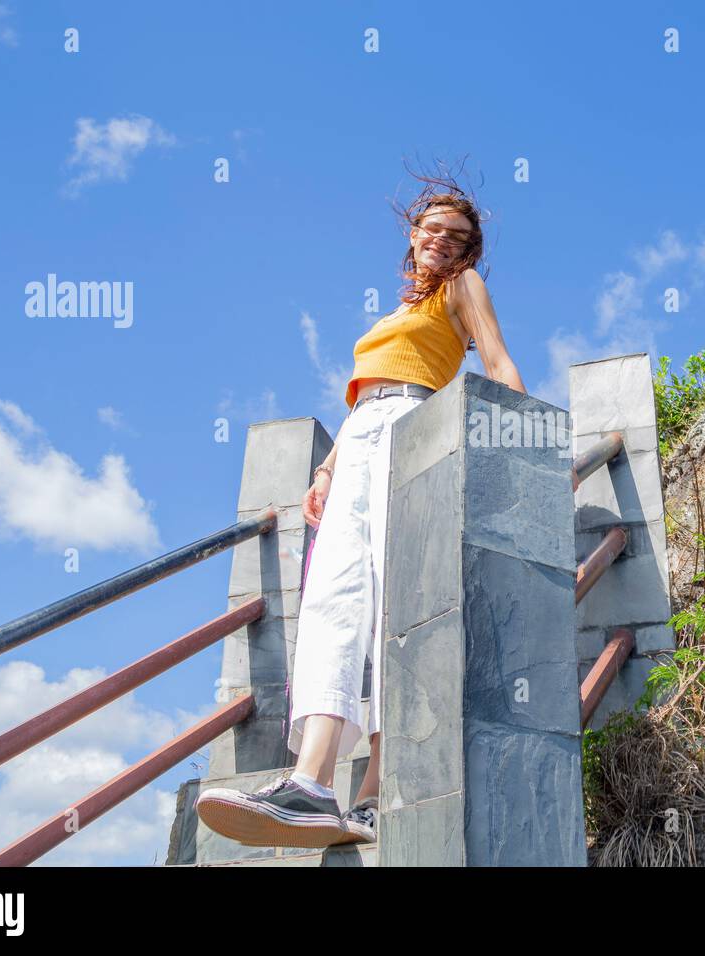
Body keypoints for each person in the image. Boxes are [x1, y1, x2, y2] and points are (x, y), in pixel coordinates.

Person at [195, 170, 525, 849]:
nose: (442, 241)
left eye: (458, 237)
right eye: (433, 229)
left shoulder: (463, 290)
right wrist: (325, 467)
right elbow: (364, 396)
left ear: (469, 252)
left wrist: (527, 448)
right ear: (413, 236)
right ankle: (328, 791)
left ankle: (352, 790)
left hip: (411, 428)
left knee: (388, 604)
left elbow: (496, 361)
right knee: (334, 600)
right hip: (363, 436)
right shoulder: (395, 315)